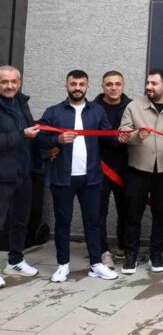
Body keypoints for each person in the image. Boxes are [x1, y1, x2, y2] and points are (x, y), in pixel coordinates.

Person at [37, 70, 118, 282]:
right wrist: (57, 140)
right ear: (66, 85)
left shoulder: (97, 111)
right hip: (62, 178)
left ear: (88, 87)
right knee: (62, 222)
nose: (77, 88)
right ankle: (63, 265)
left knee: (93, 222)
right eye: (73, 84)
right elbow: (39, 139)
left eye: (82, 84)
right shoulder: (54, 111)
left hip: (91, 178)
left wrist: (131, 136)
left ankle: (96, 264)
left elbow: (110, 138)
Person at [118, 69, 163, 274]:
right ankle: (131, 255)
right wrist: (137, 135)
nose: (149, 87)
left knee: (161, 215)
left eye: (154, 83)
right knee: (133, 214)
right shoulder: (134, 106)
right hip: (138, 170)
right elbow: (123, 134)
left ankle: (156, 254)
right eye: (148, 83)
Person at [0, 65, 40, 287]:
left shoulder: (22, 103)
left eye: (13, 81)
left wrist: (48, 149)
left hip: (23, 173)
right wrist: (21, 134)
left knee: (20, 221)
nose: (9, 86)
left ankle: (15, 261)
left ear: (19, 82)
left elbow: (30, 135)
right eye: (4, 82)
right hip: (2, 175)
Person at [94, 70, 131, 270]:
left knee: (126, 210)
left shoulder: (132, 106)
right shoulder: (93, 108)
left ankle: (123, 247)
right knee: (99, 212)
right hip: (99, 167)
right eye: (109, 84)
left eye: (117, 84)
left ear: (123, 86)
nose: (113, 88)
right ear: (103, 87)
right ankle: (103, 250)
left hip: (127, 167)